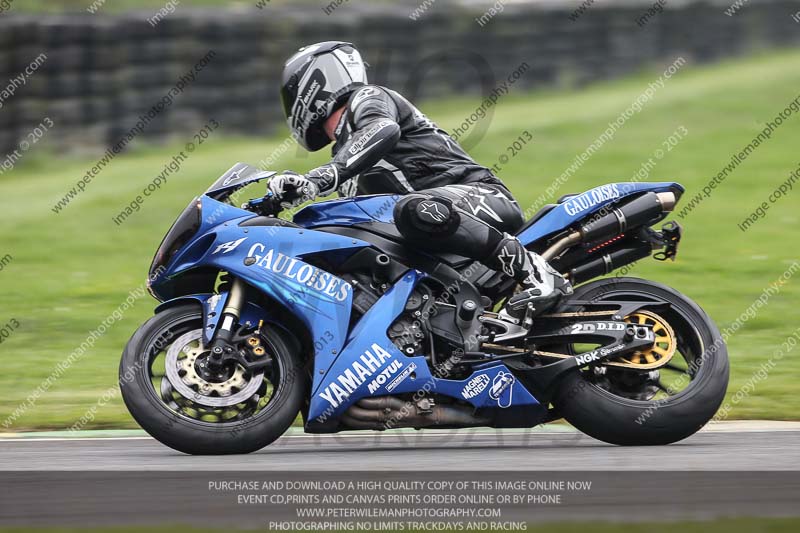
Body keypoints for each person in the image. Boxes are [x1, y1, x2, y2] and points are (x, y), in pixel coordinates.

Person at [270, 41, 571, 319]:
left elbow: (381, 130)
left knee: (412, 208)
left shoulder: (369, 98)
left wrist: (322, 177)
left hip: (483, 198)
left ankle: (535, 271)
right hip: (436, 233)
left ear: (315, 84)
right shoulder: (344, 153)